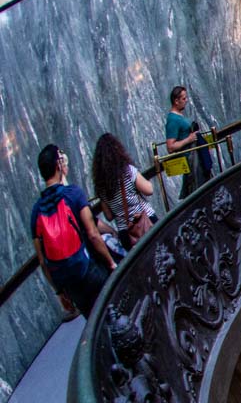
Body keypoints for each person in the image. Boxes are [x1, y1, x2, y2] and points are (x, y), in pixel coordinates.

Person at [31, 144, 117, 317]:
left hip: (68, 281)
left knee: (93, 323)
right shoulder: (73, 194)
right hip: (88, 269)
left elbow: (42, 261)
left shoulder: (36, 211)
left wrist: (59, 292)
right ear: (58, 166)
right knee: (113, 311)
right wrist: (110, 262)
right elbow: (93, 233)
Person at [91, 133, 156, 250]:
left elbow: (109, 216)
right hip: (146, 223)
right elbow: (149, 190)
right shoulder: (128, 171)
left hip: (125, 234)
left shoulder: (100, 186)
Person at [165, 85, 212, 198]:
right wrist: (189, 139)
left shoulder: (179, 116)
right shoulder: (173, 120)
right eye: (184, 99)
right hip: (191, 160)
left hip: (196, 156)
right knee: (196, 189)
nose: (186, 101)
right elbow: (170, 147)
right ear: (176, 101)